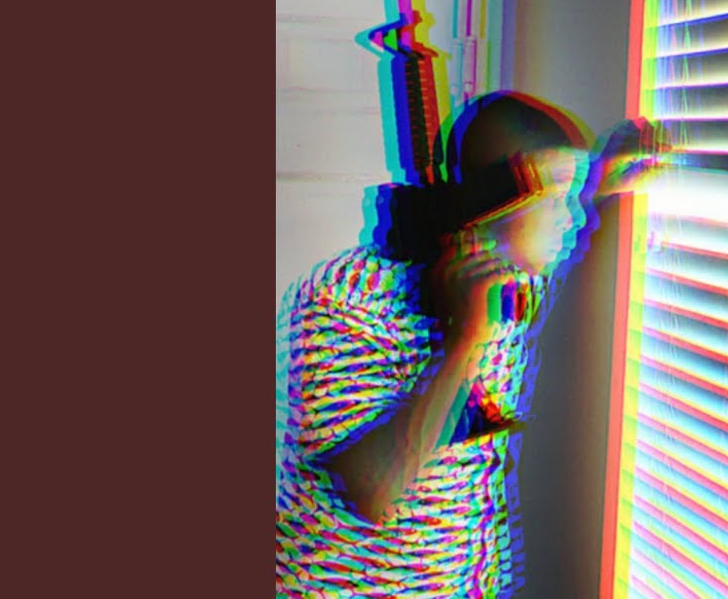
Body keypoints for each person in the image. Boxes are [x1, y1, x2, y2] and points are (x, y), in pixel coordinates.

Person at [276, 92, 658, 597]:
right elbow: (370, 491)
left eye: (576, 193)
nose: (572, 217)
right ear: (492, 204)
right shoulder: (345, 299)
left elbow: (550, 226)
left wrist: (605, 178)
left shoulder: (512, 278)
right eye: (556, 197)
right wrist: (463, 344)